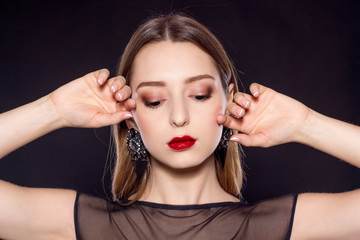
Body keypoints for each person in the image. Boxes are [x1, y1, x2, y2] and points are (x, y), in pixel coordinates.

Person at [0, 13, 359, 240]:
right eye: (154, 100)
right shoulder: (73, 224)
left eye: (200, 94)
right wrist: (53, 110)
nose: (179, 117)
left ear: (229, 99)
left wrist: (307, 125)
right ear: (131, 115)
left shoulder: (290, 226)